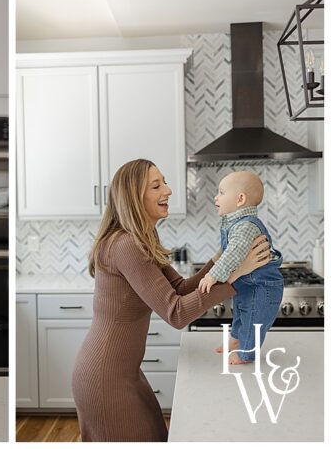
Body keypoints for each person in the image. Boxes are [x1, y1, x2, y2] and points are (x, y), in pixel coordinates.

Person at [72, 159, 270, 442]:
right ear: (133, 197)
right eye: (156, 185)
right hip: (105, 379)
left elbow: (179, 288)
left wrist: (223, 259)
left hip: (123, 372)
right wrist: (235, 276)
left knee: (156, 436)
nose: (168, 190)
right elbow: (175, 312)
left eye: (164, 182)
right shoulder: (125, 245)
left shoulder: (141, 237)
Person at [197, 171, 284, 365]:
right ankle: (236, 340)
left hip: (262, 287)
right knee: (240, 312)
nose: (215, 197)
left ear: (240, 199)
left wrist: (212, 276)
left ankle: (246, 354)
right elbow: (226, 249)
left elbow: (233, 255)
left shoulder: (245, 226)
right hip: (248, 284)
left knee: (253, 321)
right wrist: (217, 257)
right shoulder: (235, 224)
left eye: (221, 192)